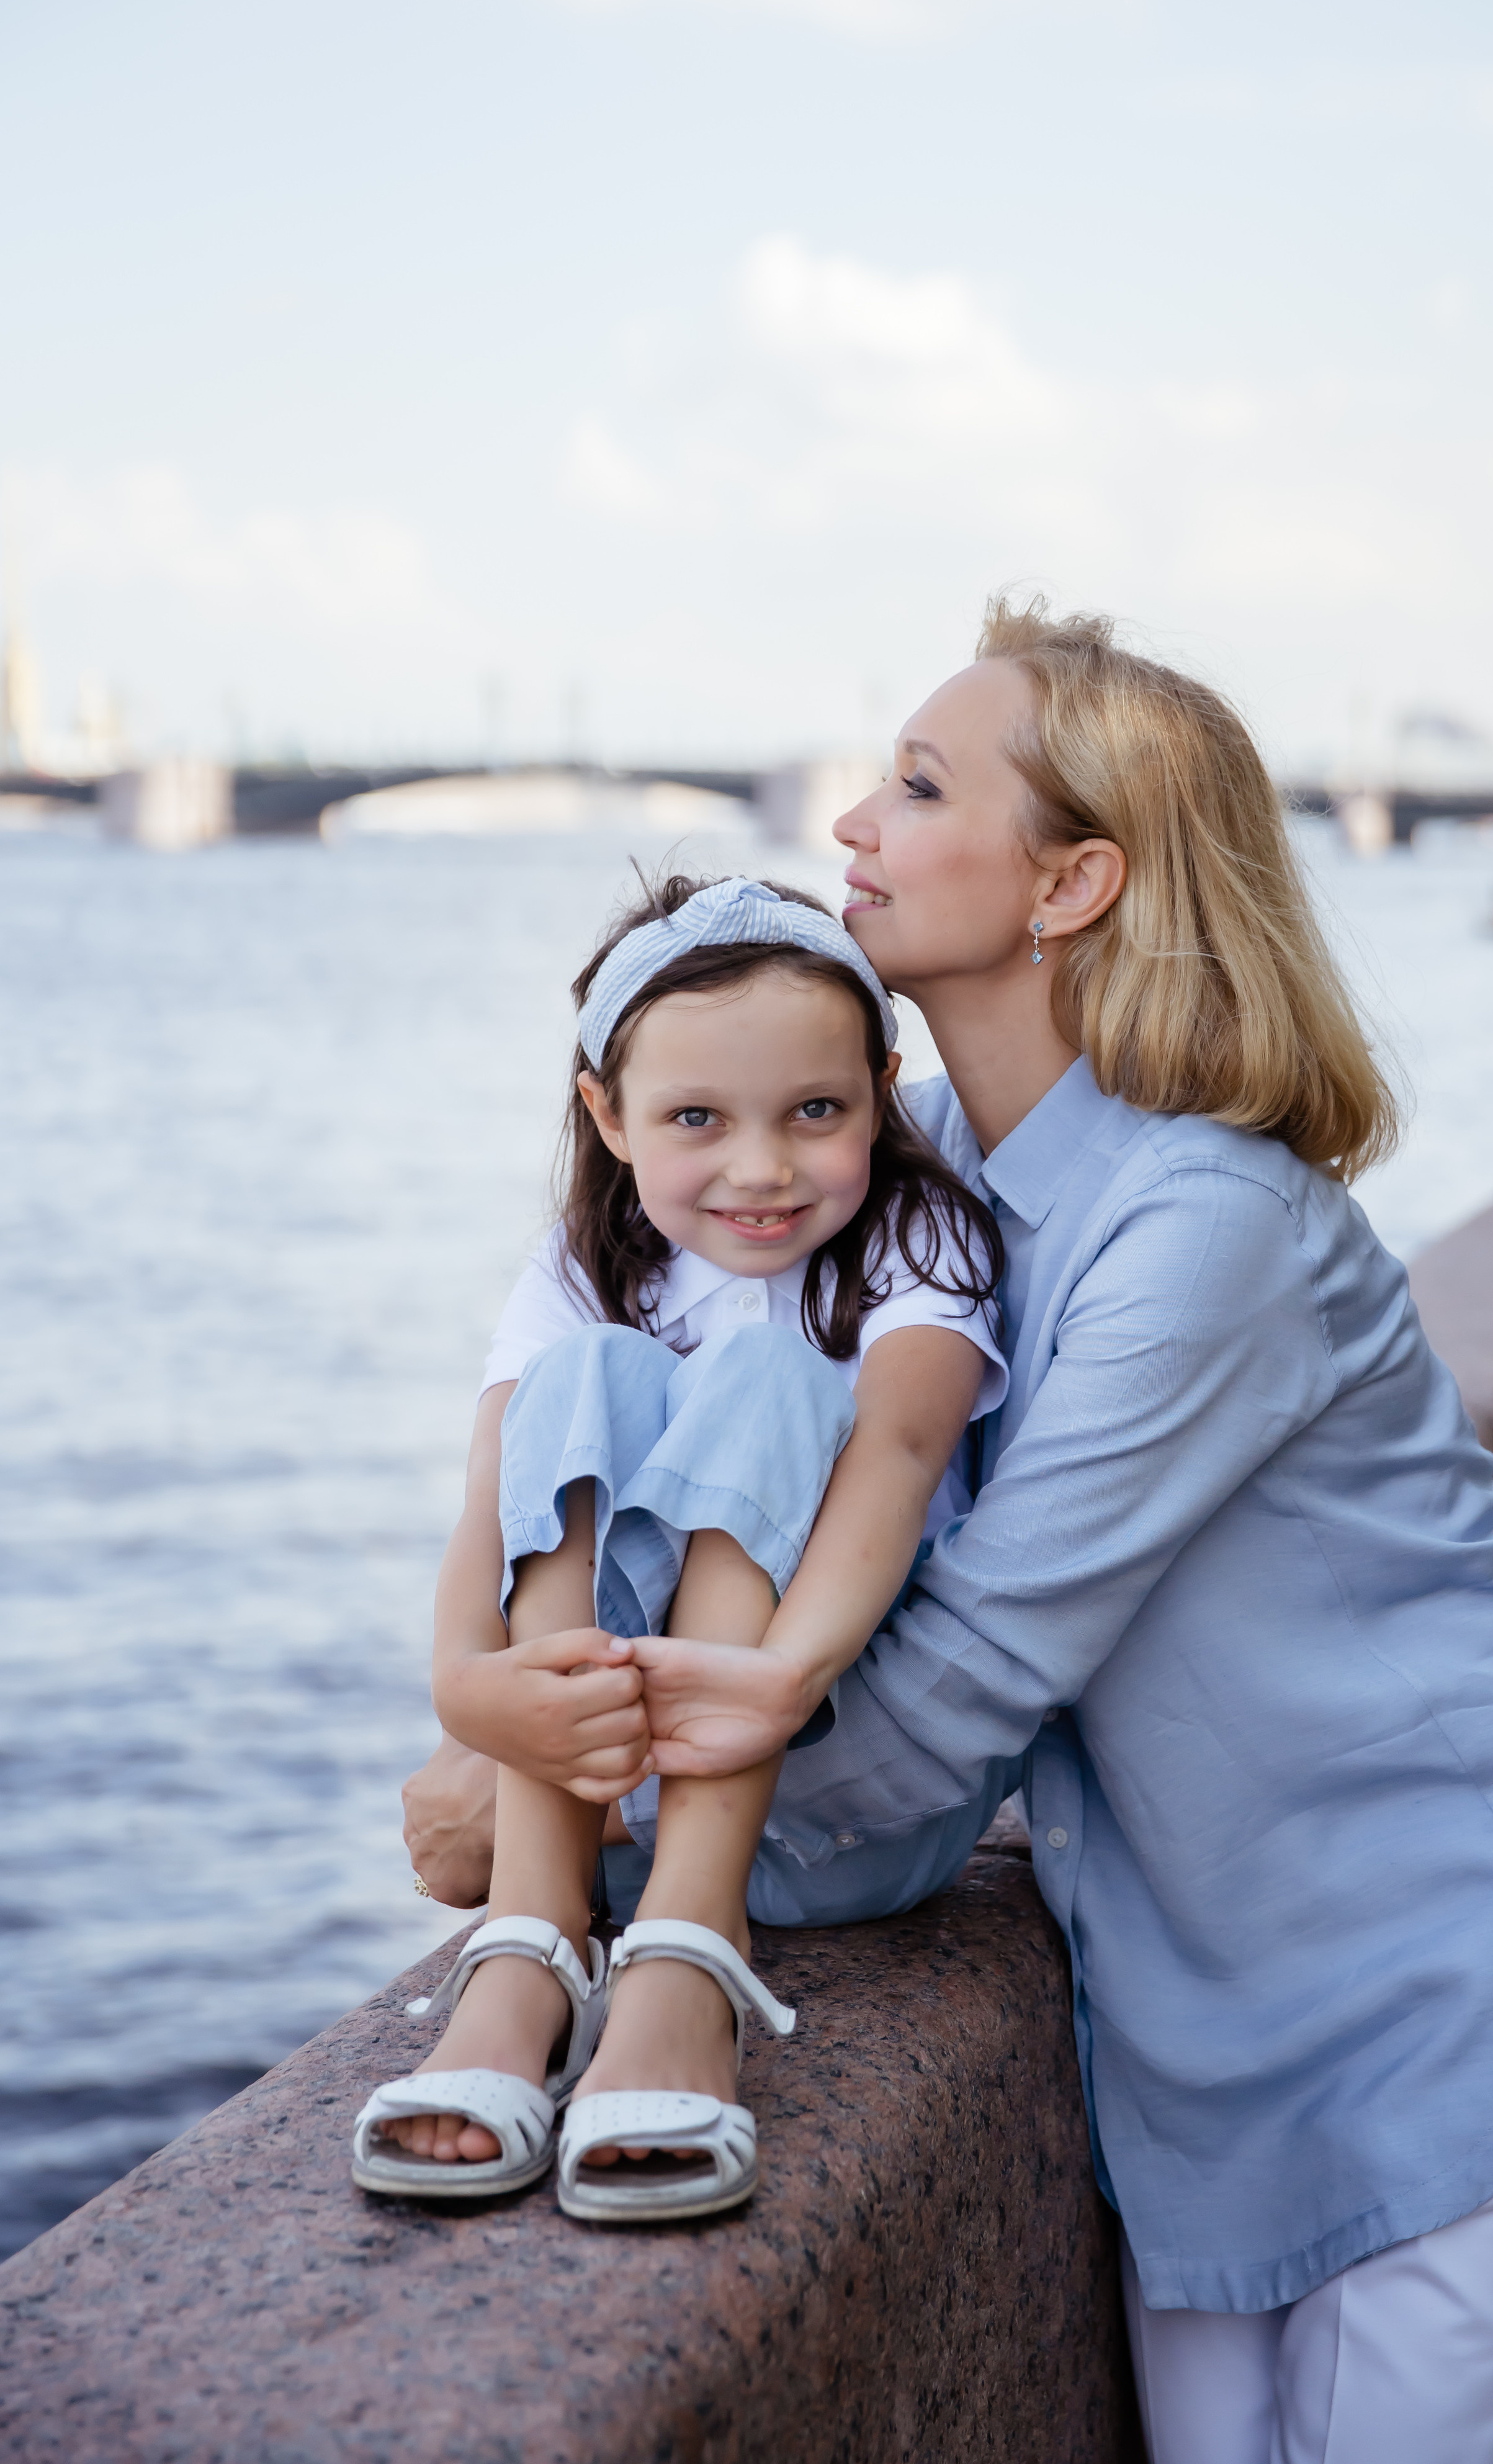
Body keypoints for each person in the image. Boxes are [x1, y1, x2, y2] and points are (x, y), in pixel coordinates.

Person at [406, 601, 1493, 2461]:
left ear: (1072, 884)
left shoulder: (1203, 1224)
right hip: (1193, 2054)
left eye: (921, 783)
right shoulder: (911, 1163)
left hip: (1429, 1998)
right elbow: (653, 1406)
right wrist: (515, 1719)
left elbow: (968, 1672)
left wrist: (570, 1809)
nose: (855, 824)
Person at [356, 873, 1015, 2220]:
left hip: (838, 1804)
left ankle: (687, 1952)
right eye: (696, 1119)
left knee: (773, 1377)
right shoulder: (581, 1264)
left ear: (884, 1090)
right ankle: (529, 1946)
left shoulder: (912, 1231)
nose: (762, 1167)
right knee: (583, 1375)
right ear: (607, 1112)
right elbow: (491, 1496)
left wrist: (776, 1678)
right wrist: (464, 1691)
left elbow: (894, 1451)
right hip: (605, 1805)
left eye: (815, 1112)